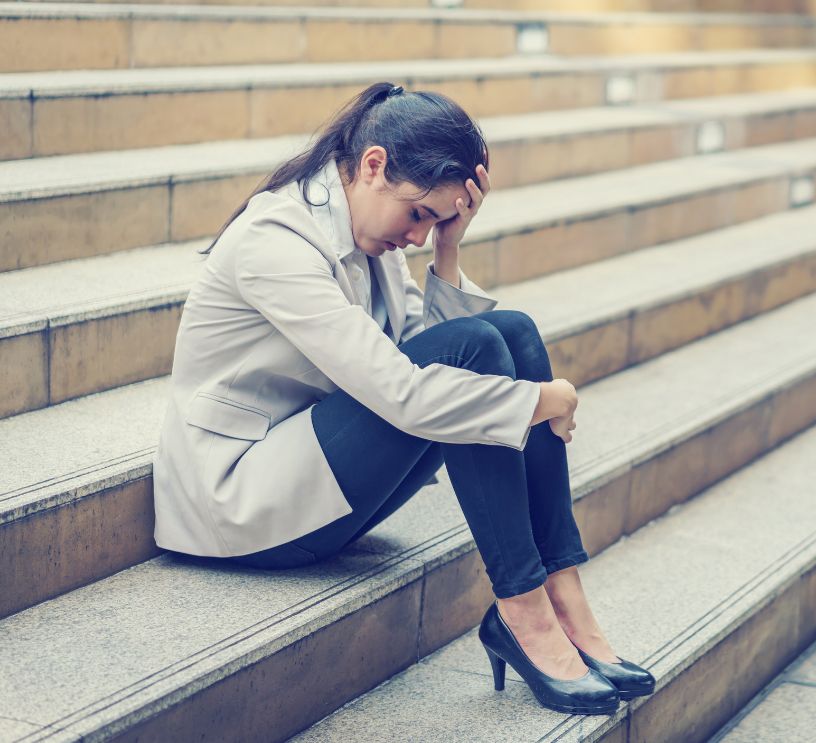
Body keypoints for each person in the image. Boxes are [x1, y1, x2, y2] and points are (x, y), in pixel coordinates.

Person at [151, 82, 654, 715]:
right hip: (241, 503)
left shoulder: (370, 231)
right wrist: (537, 401)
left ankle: (562, 593)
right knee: (482, 352)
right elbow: (406, 392)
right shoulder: (274, 239)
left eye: (435, 222)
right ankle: (522, 608)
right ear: (372, 165)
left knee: (512, 333)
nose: (418, 236)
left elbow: (424, 345)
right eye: (421, 215)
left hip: (313, 473)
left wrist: (449, 247)